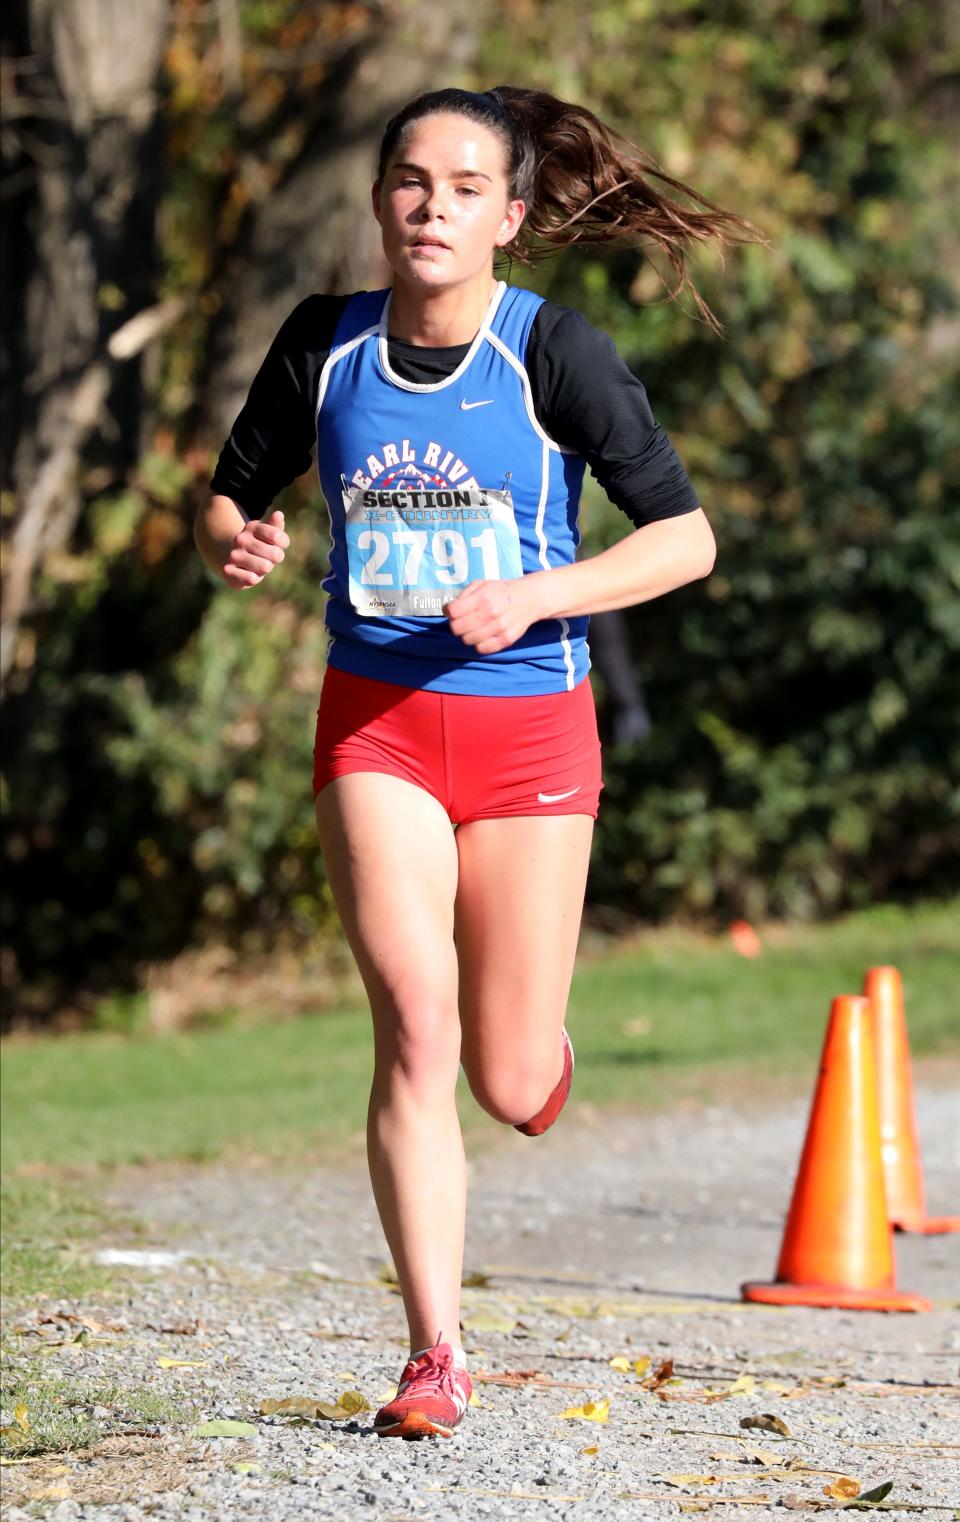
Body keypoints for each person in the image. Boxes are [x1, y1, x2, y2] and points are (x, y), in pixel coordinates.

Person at [196, 85, 757, 1441]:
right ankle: (436, 1351)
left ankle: (538, 1040)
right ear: (382, 203)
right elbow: (231, 490)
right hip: (376, 721)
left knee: (506, 1078)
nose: (430, 202)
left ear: (509, 217)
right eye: (408, 179)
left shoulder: (554, 351)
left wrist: (542, 593)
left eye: (462, 185)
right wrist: (230, 536)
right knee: (413, 1024)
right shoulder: (323, 347)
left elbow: (685, 540)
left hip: (528, 732)